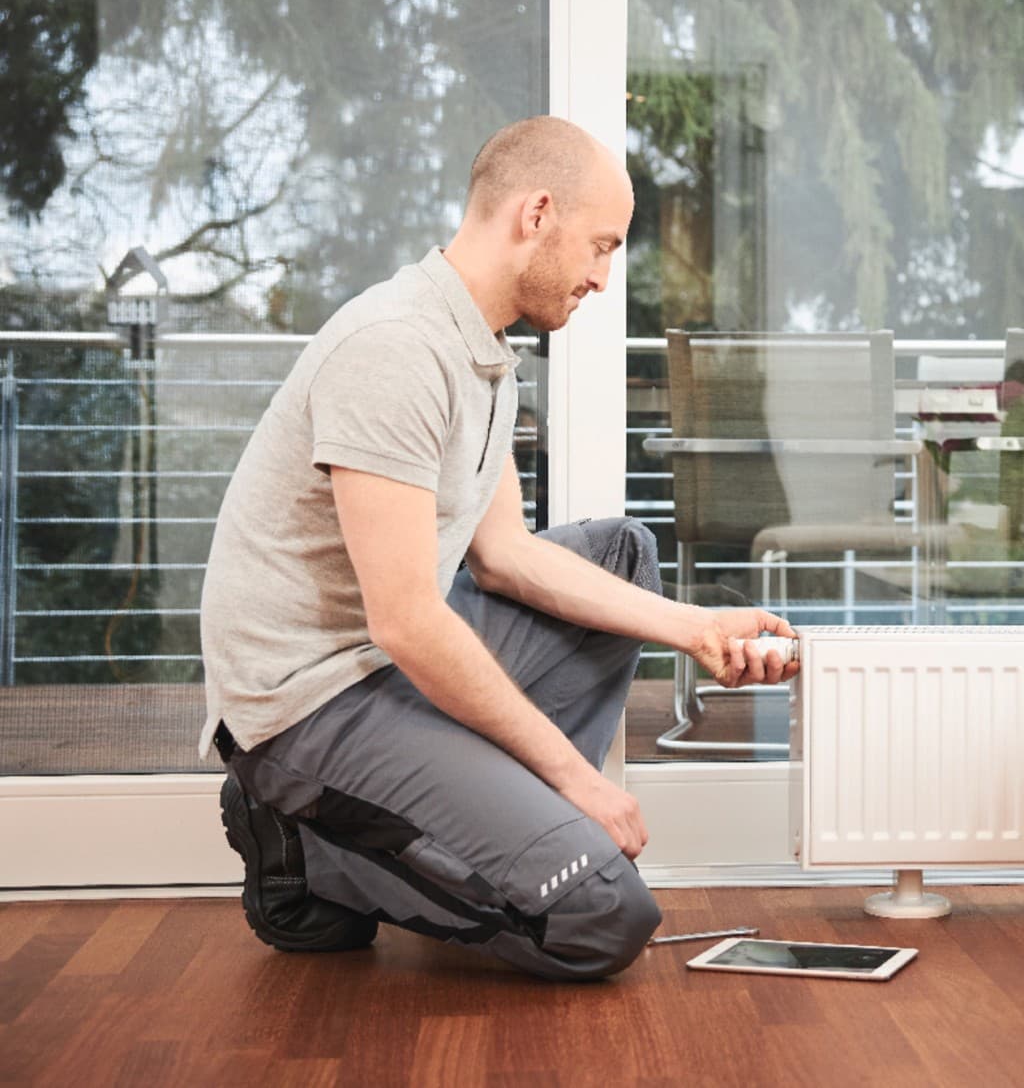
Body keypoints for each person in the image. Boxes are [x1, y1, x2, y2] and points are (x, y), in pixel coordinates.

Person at [198, 115, 798, 980]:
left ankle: (495, 822)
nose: (602, 276)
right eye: (600, 246)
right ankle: (302, 845)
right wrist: (579, 782)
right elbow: (406, 619)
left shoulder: (480, 348)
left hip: (387, 667)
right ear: (537, 213)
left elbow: (505, 555)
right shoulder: (396, 350)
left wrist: (694, 628)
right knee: (602, 917)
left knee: (619, 552)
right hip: (310, 707)